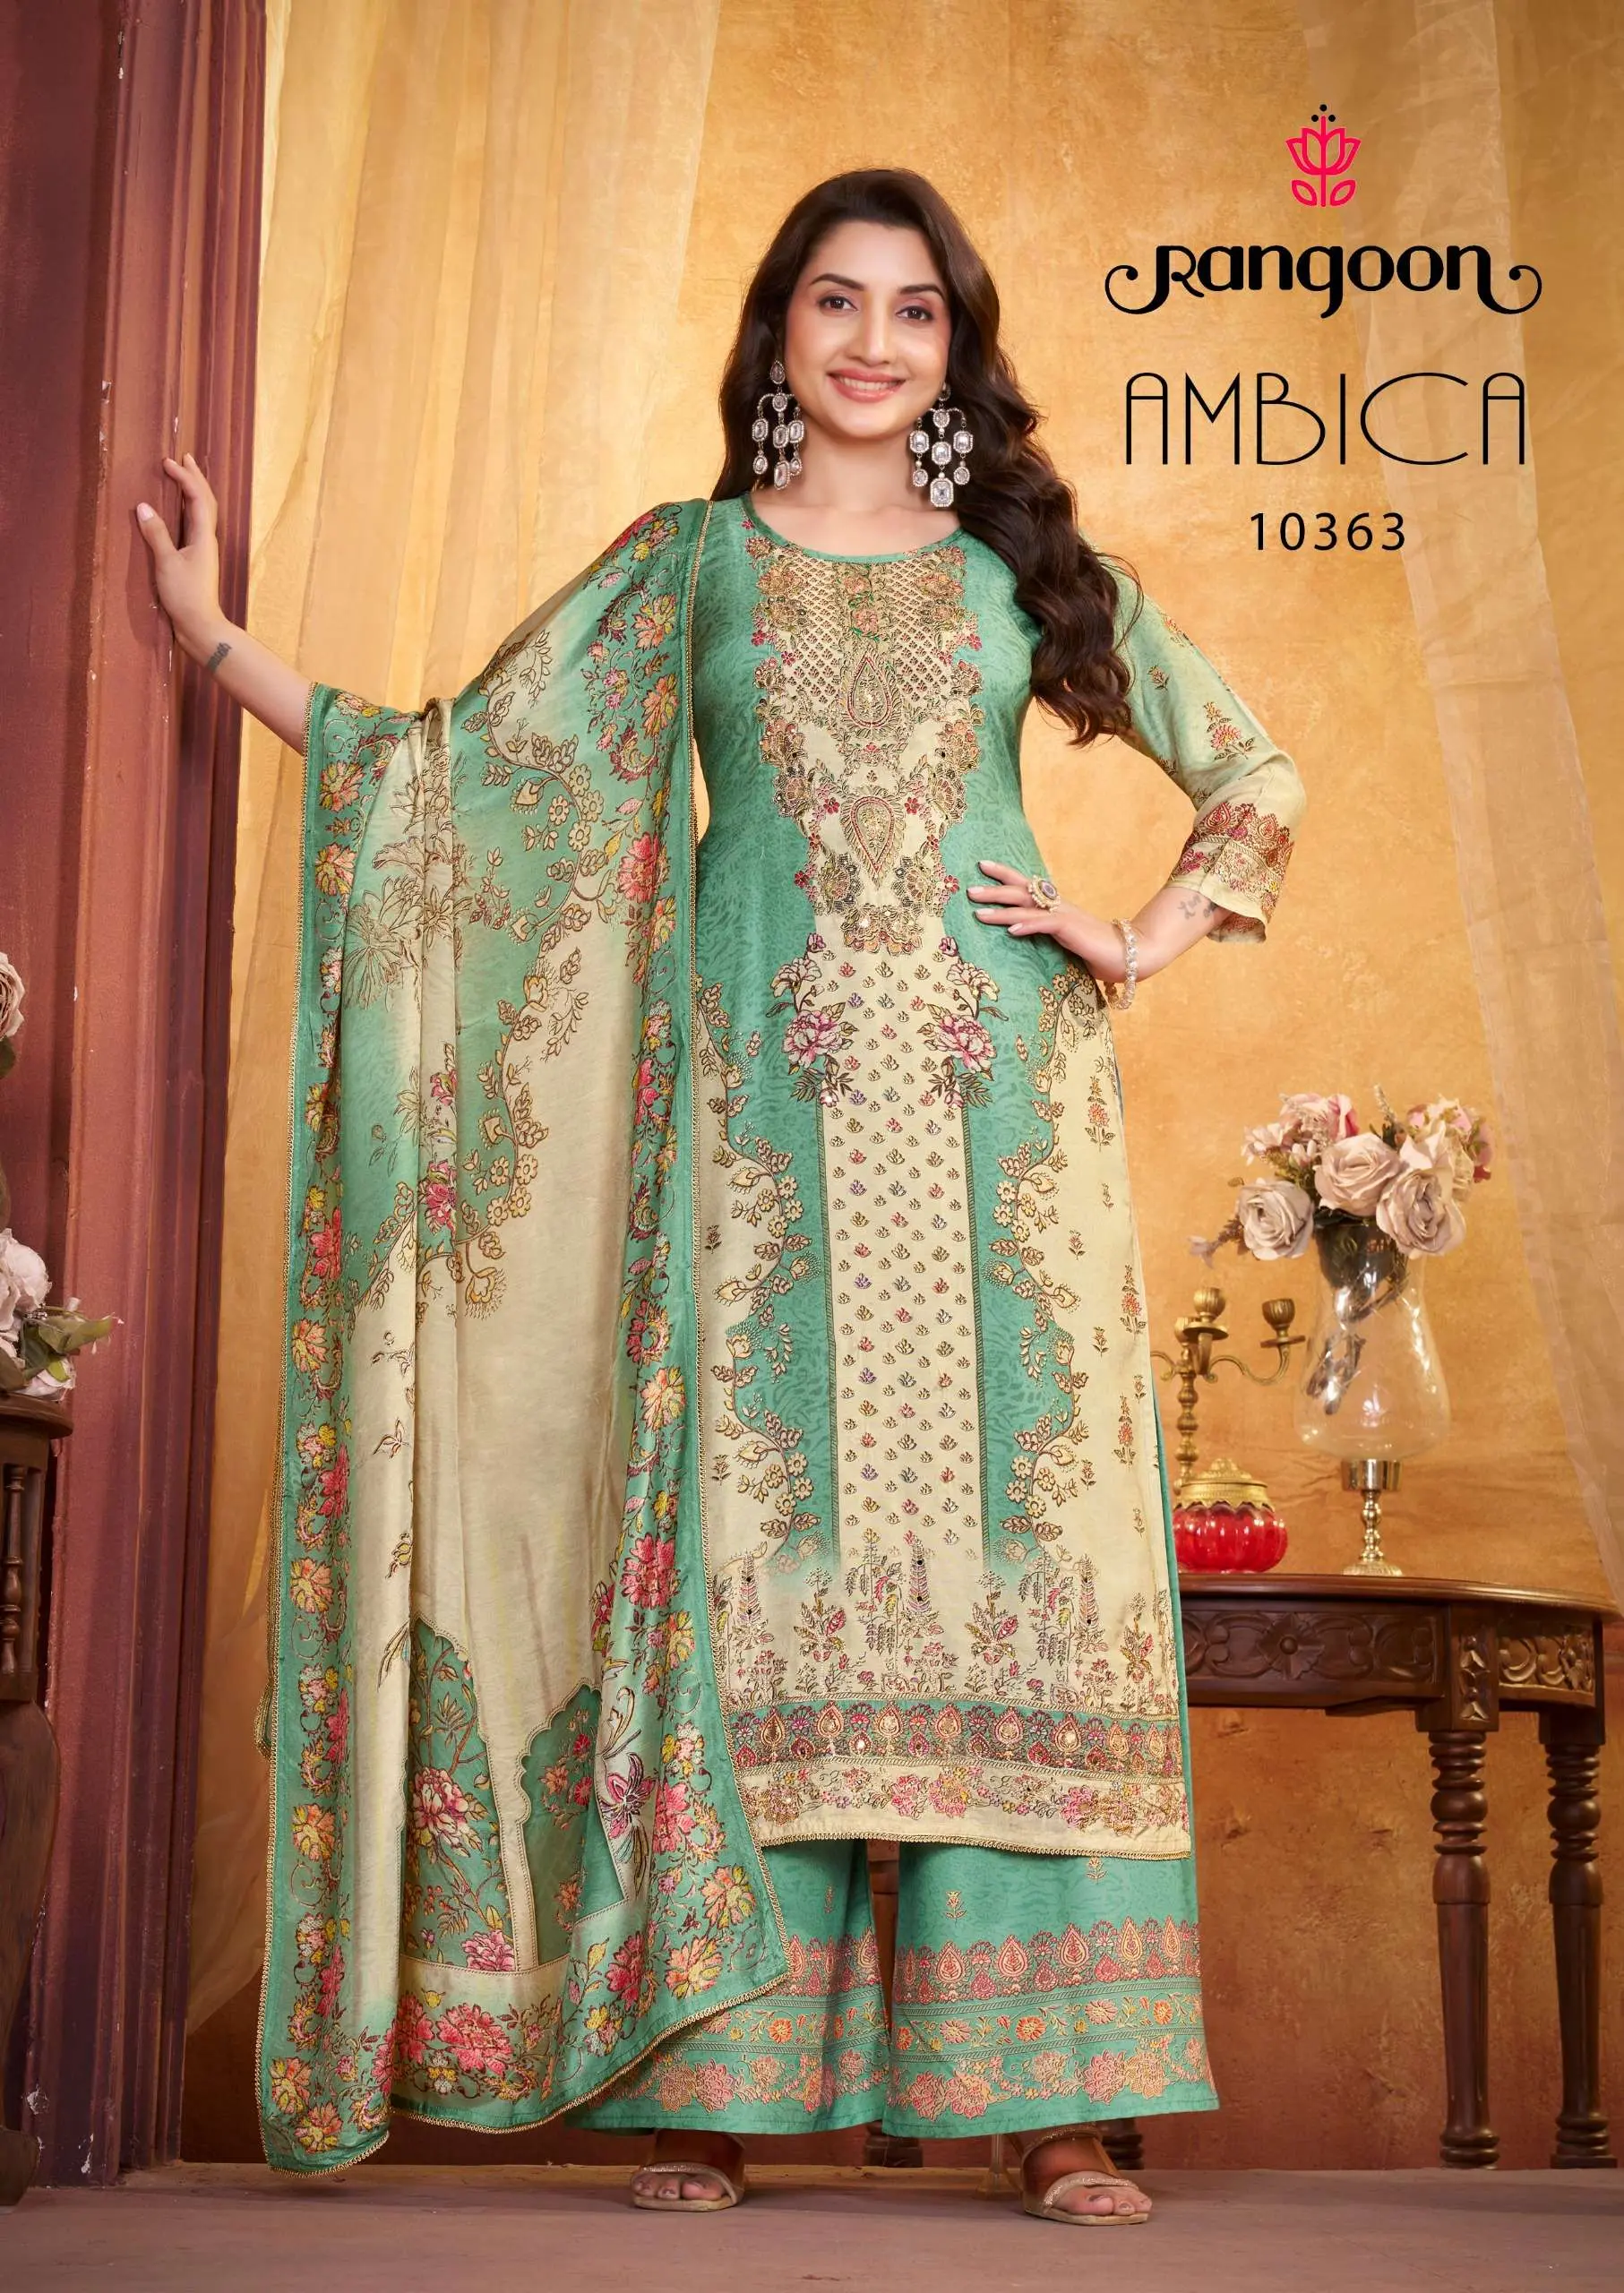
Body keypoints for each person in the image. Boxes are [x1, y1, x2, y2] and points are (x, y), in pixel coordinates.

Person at [140, 167, 1302, 2226]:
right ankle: (714, 2084)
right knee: (749, 1586)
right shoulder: (688, 570)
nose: (874, 343)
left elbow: (1255, 771)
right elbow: (464, 776)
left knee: (1024, 1585)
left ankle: (1050, 2105)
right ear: (779, 333)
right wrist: (217, 641)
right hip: (753, 1148)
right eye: (837, 303)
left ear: (956, 348)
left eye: (916, 311)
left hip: (1006, 1151)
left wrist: (1135, 934)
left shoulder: (1022, 576)